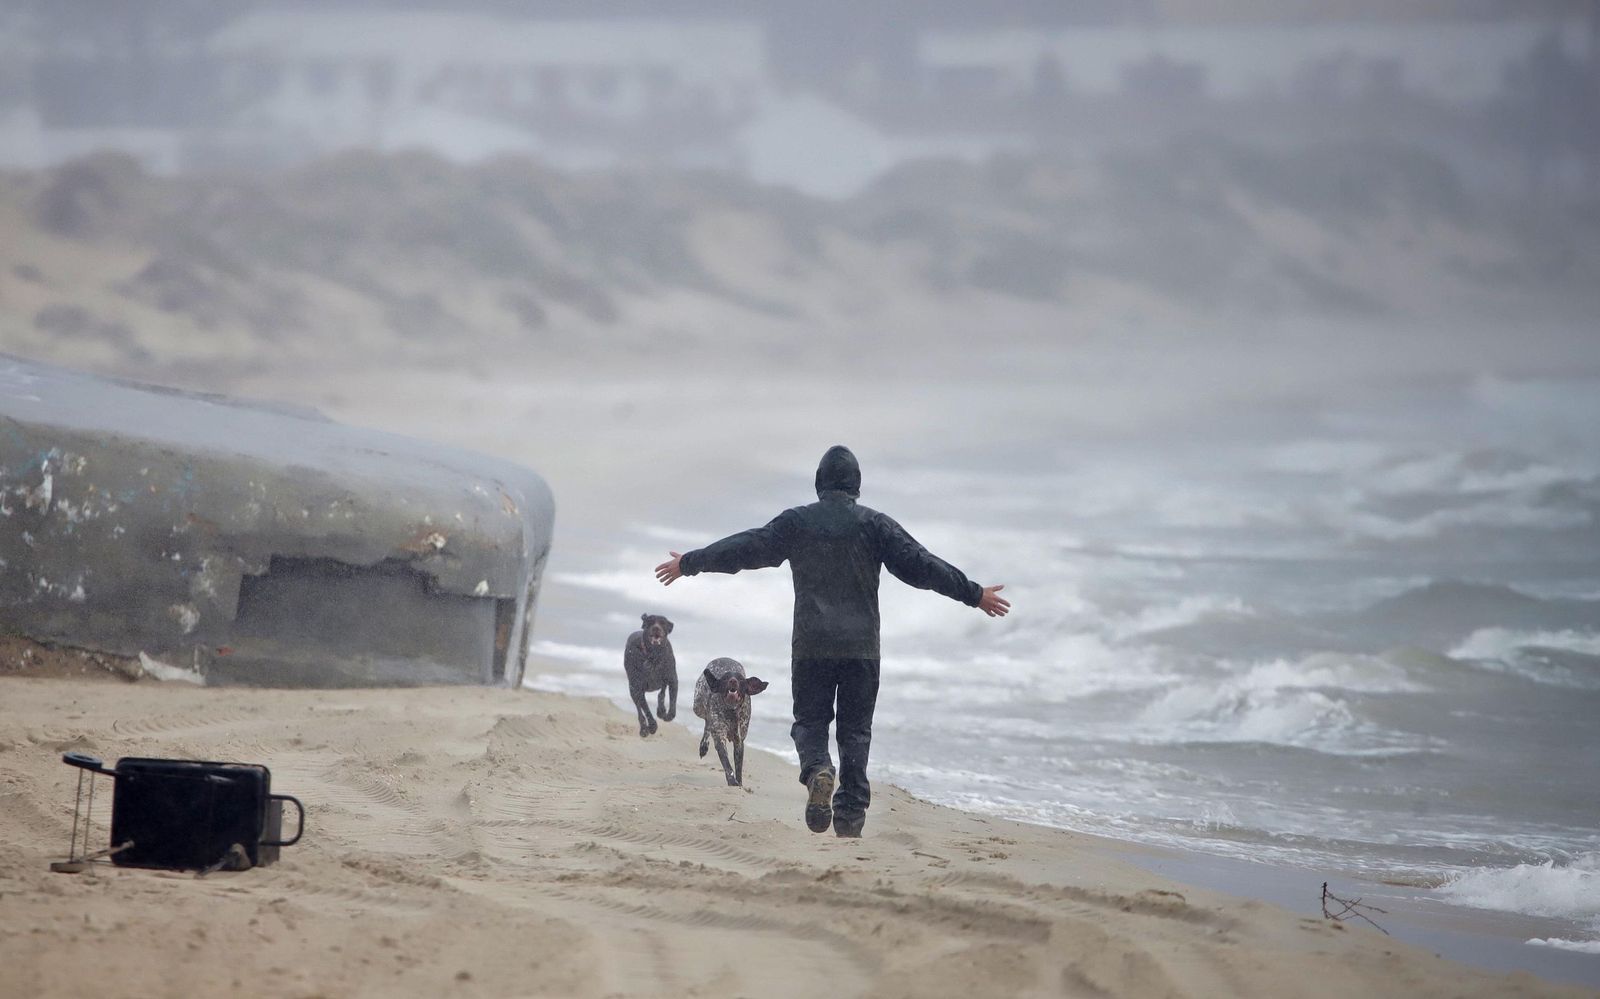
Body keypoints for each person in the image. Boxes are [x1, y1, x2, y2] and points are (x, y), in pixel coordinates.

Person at [654, 445, 1010, 838]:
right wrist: (973, 593)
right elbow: (921, 565)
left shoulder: (797, 523)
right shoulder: (875, 525)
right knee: (855, 731)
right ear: (856, 485)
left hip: (812, 648)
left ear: (819, 484)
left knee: (810, 723)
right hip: (861, 650)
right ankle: (849, 820)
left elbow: (745, 548)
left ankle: (818, 771)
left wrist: (689, 563)